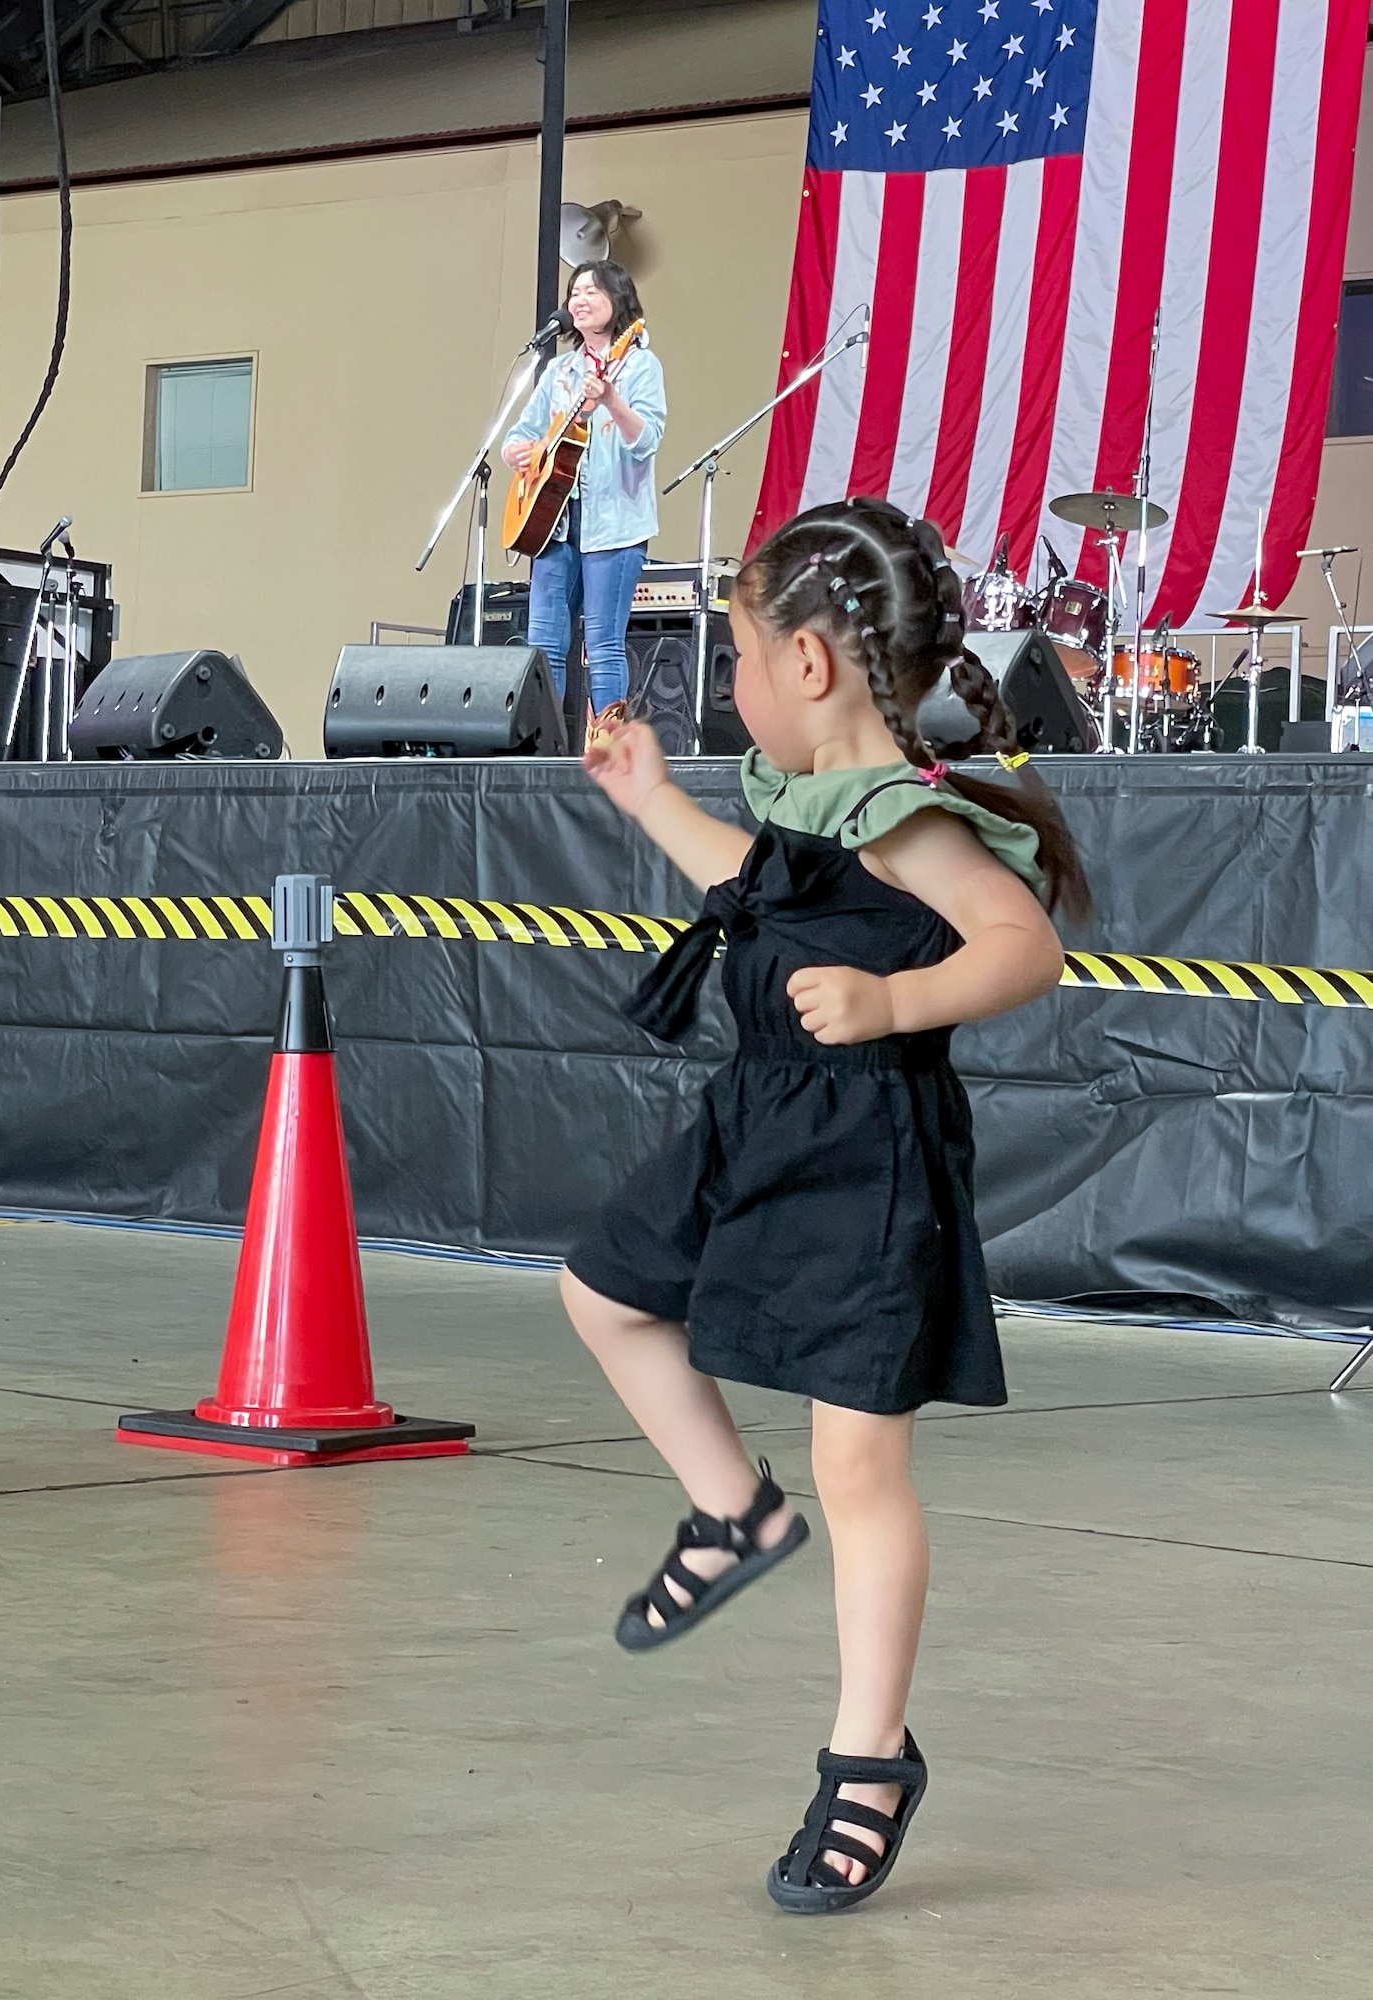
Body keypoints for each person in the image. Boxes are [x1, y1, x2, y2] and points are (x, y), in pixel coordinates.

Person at [559, 496, 1090, 1913]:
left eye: (733, 657)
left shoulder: (914, 819)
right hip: (763, 1118)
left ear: (810, 667)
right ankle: (733, 1512)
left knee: (862, 1468)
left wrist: (895, 999)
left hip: (869, 1156)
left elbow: (1023, 946)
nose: (726, 687)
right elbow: (761, 897)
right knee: (603, 1291)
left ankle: (869, 1758)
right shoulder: (811, 805)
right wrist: (651, 799)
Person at [501, 260, 666, 747]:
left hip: (614, 526)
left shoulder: (640, 365)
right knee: (544, 643)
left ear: (619, 301)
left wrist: (613, 401)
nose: (579, 299)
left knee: (603, 644)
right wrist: (517, 451)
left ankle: (605, 753)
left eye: (591, 291)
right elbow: (521, 435)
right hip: (553, 523)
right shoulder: (560, 369)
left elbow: (646, 439)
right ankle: (542, 749)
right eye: (574, 292)